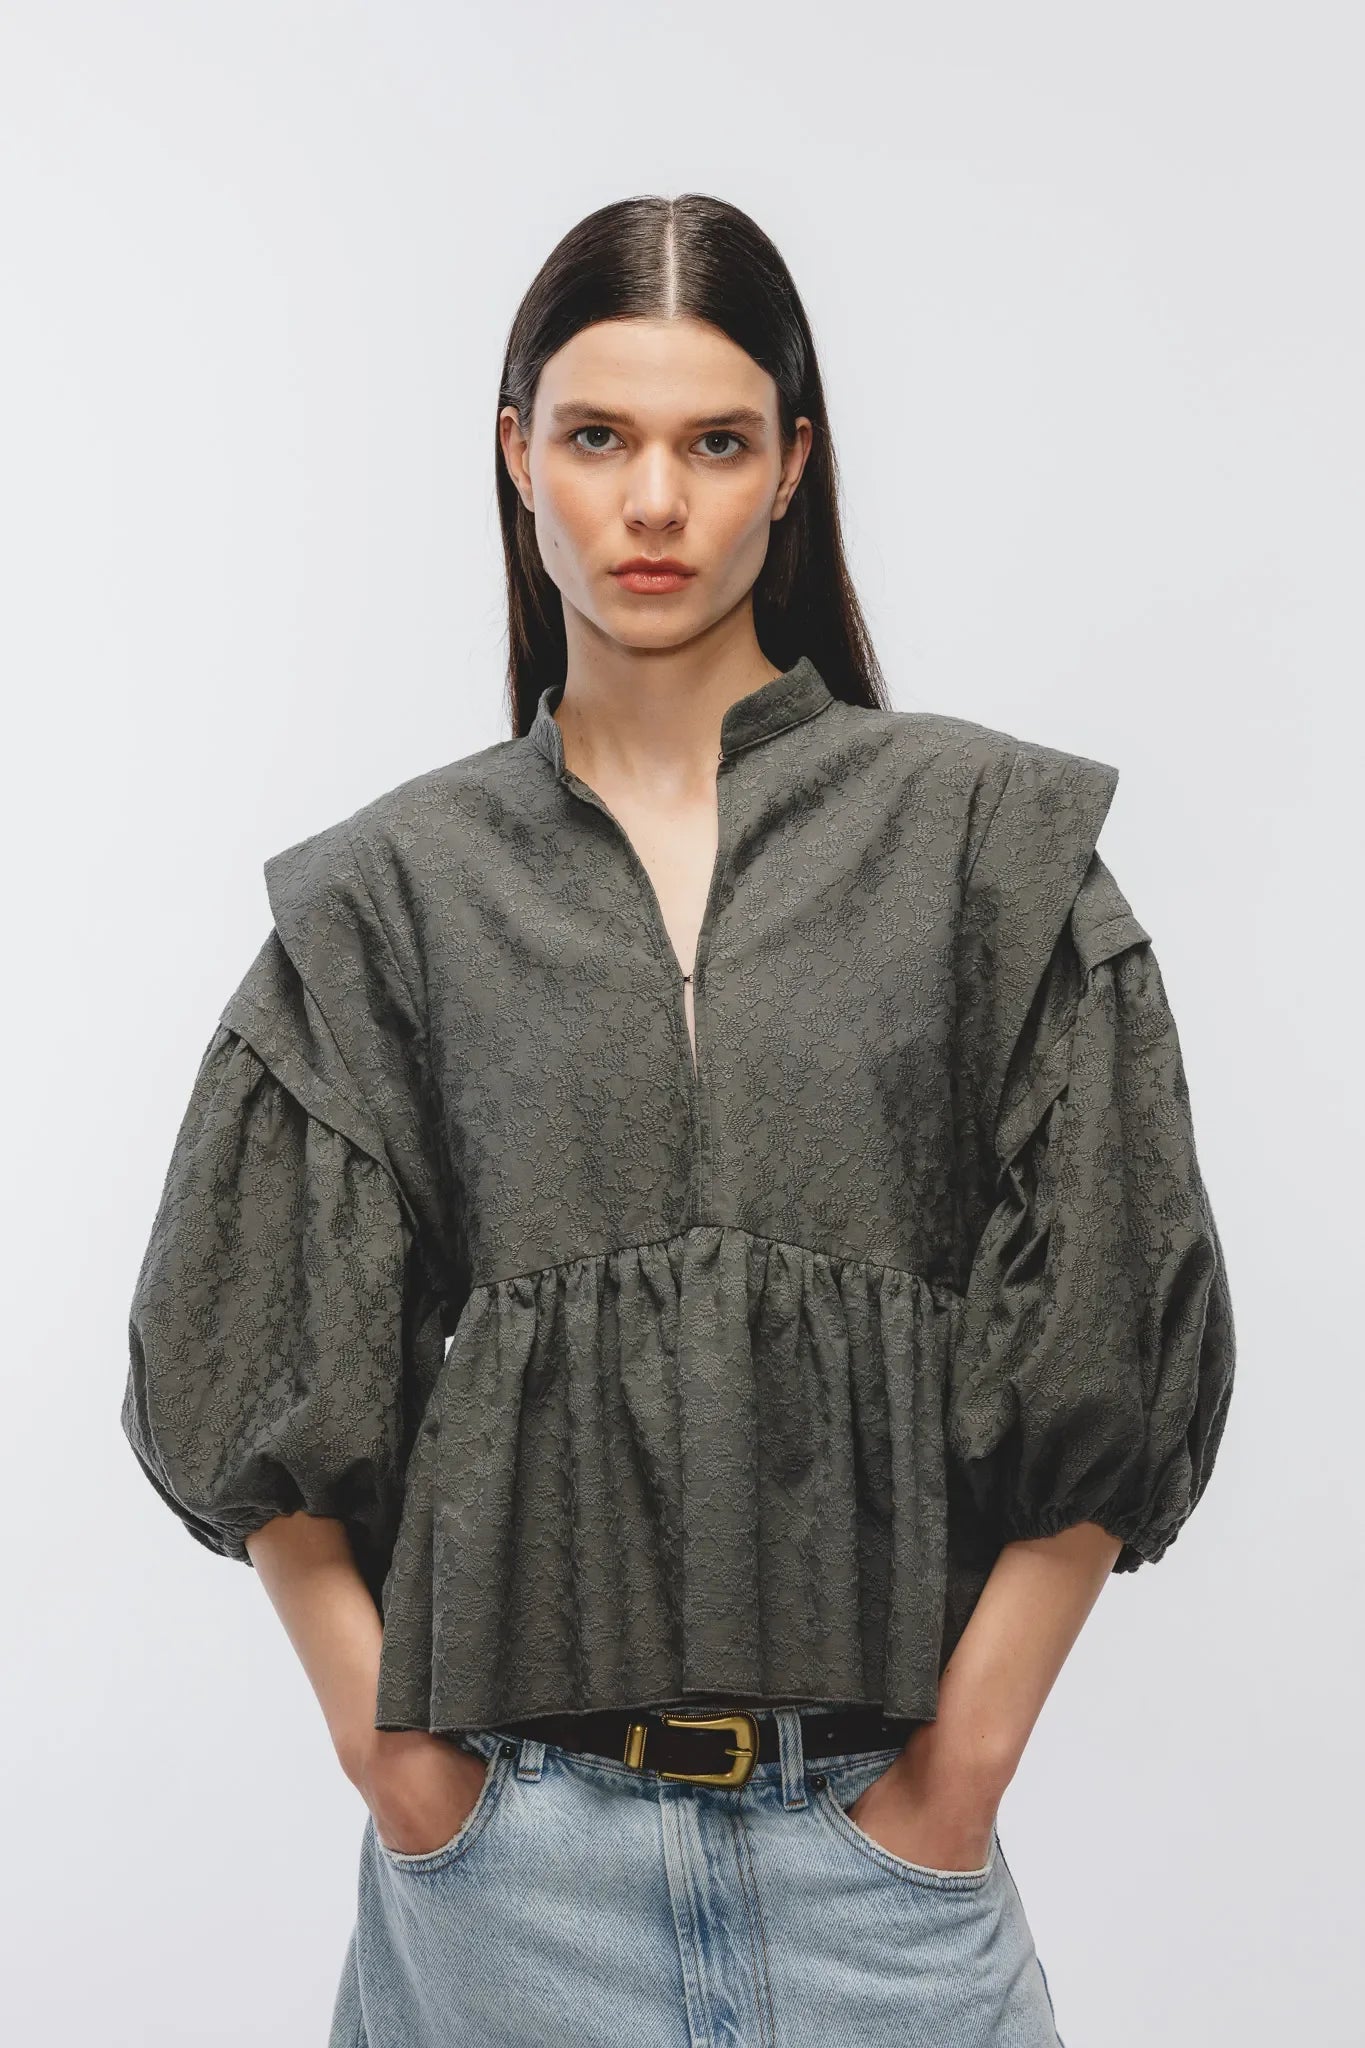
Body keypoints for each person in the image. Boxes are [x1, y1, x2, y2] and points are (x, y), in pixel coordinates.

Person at [122, 192, 1236, 2047]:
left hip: (882, 1878)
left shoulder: (980, 844)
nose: (653, 503)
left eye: (714, 444)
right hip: (508, 1893)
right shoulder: (396, 891)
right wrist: (397, 1766)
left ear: (792, 465)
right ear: (516, 455)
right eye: (597, 438)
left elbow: (1110, 1323)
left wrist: (953, 1787)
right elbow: (241, 1356)